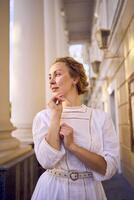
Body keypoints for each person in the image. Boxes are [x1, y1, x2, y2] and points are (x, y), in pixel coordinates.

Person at [31, 56, 119, 200]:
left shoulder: (100, 118)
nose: (51, 81)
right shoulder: (43, 117)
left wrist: (73, 146)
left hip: (89, 191)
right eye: (49, 77)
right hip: (52, 190)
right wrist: (56, 115)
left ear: (75, 78)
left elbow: (108, 168)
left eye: (57, 74)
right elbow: (46, 161)